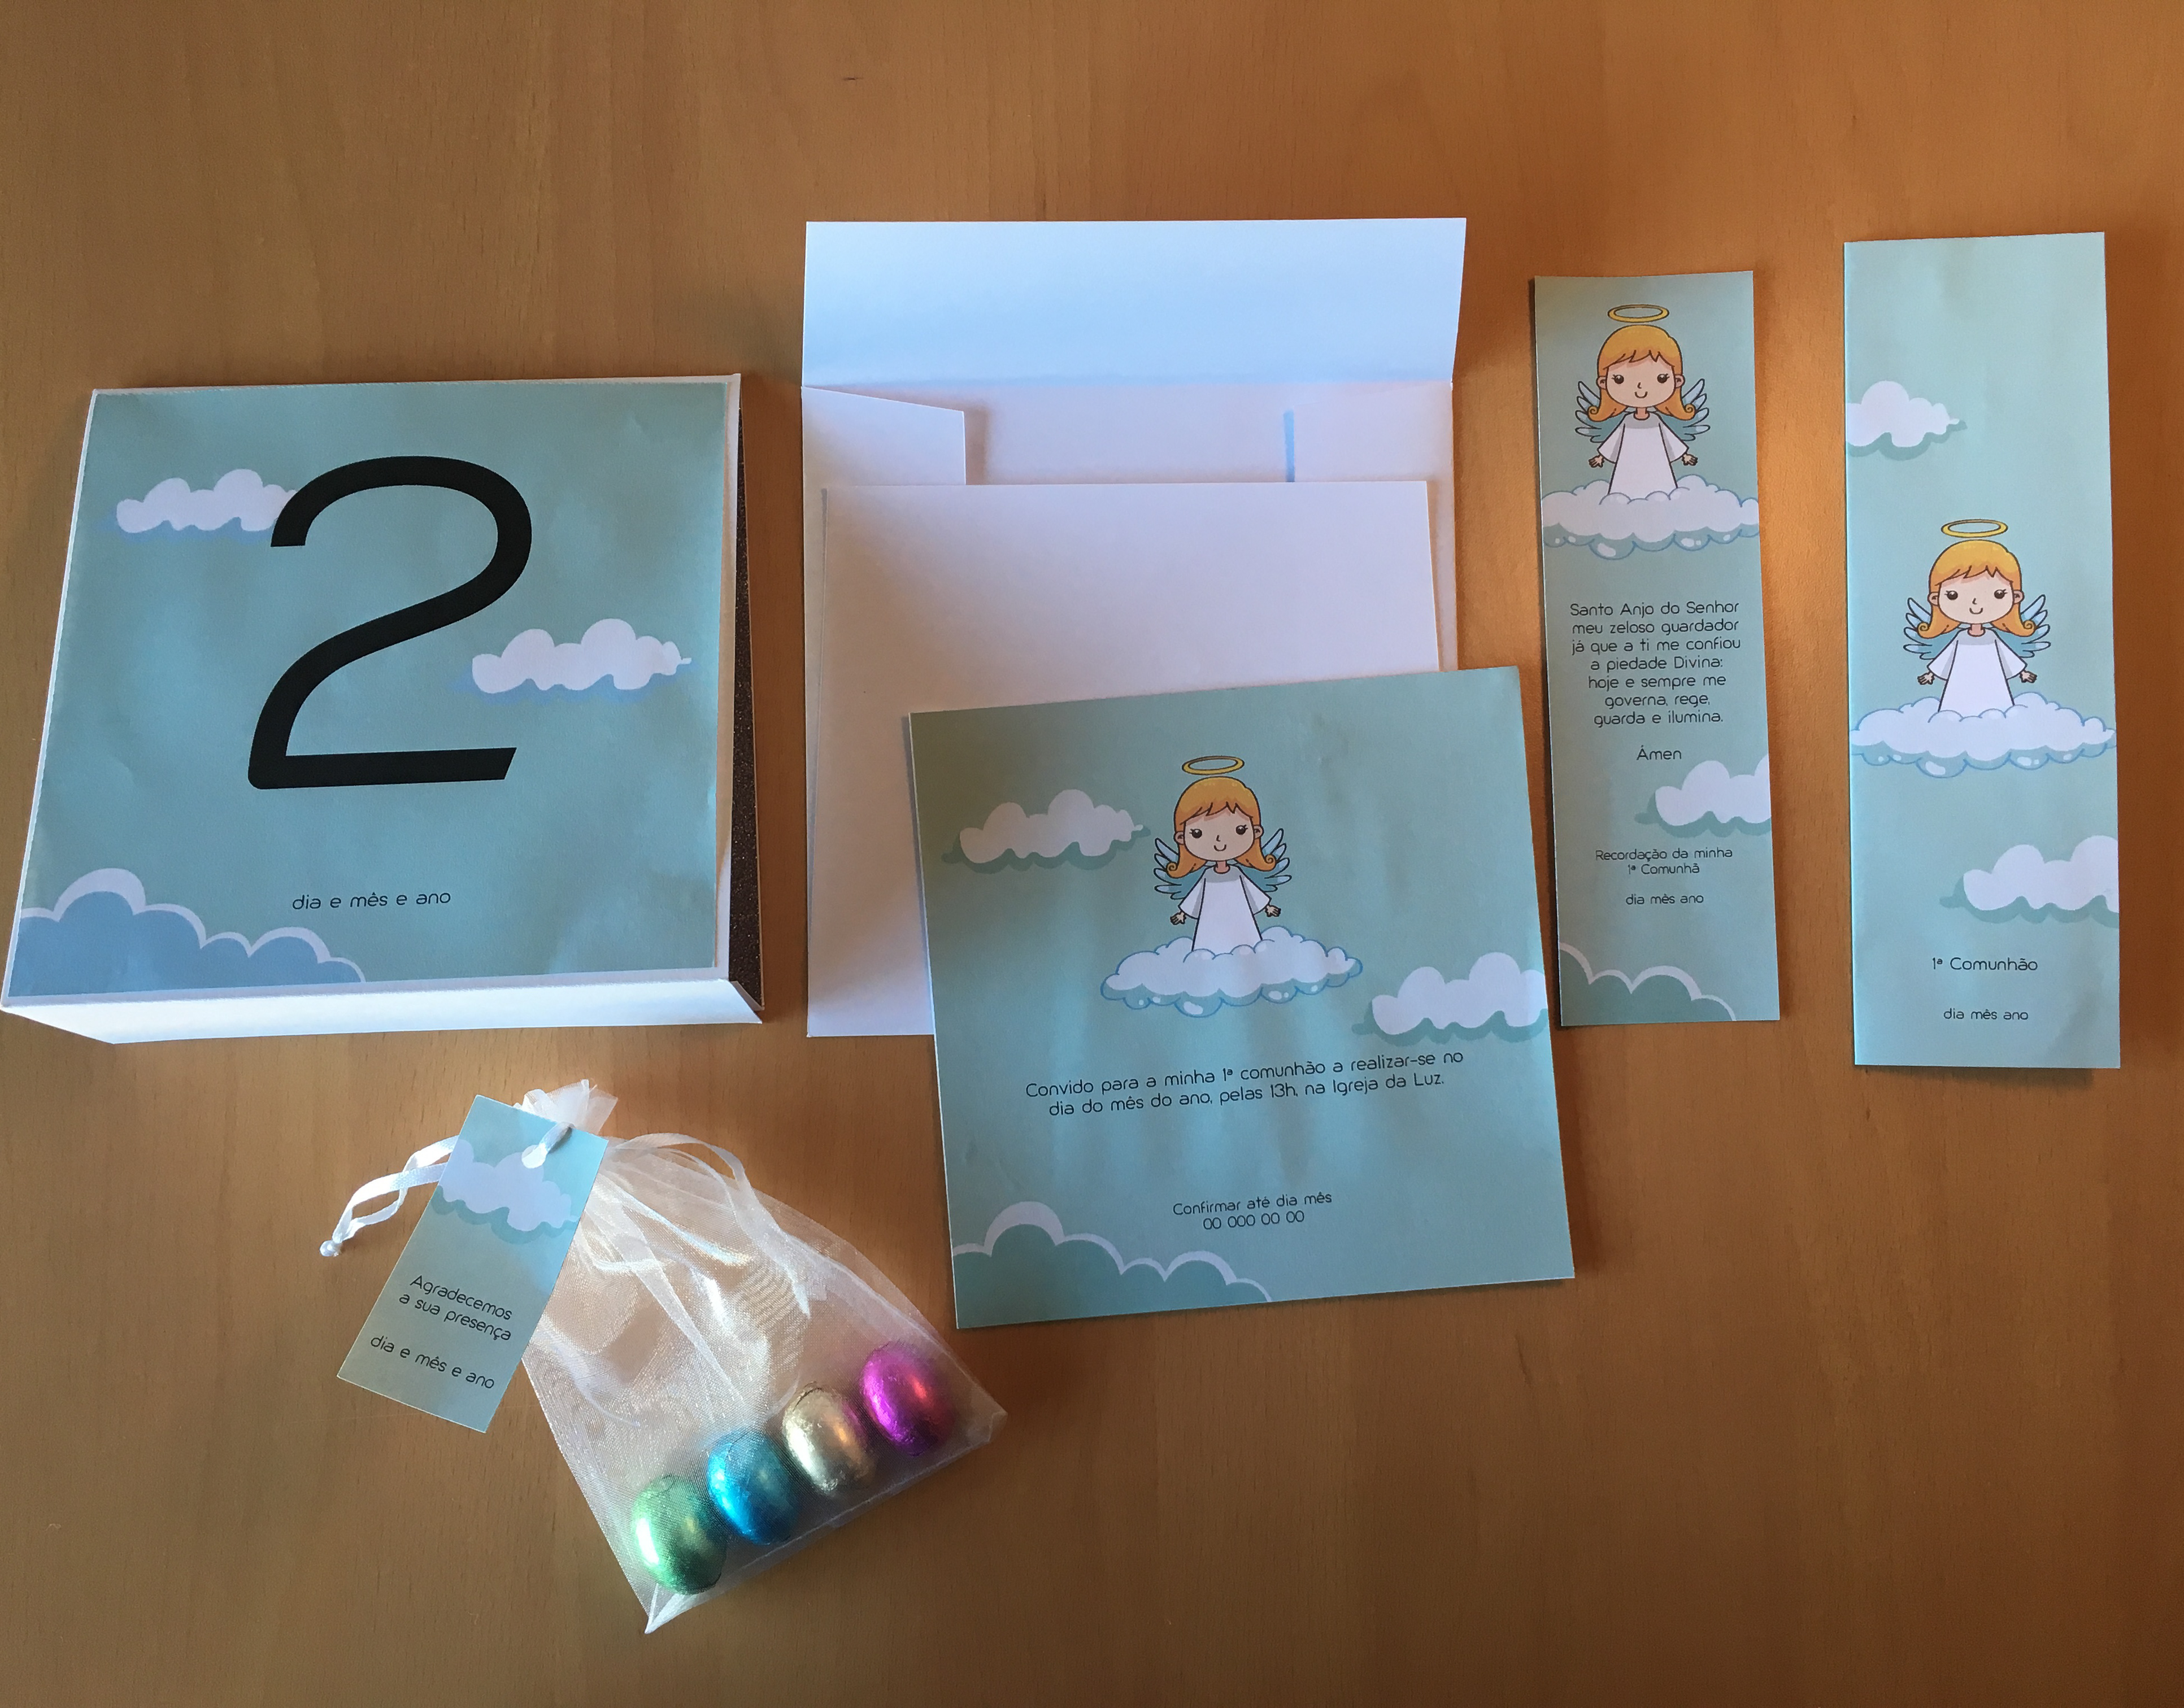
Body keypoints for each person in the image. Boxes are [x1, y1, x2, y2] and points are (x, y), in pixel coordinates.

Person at [1904, 522, 2048, 716]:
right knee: (1956, 713)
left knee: (1997, 712)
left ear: (2016, 597)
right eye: (1953, 595)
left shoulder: (1992, 637)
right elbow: (1947, 658)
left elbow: (2007, 657)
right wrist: (1931, 674)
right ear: (1936, 599)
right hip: (1960, 683)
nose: (1975, 604)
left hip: (1993, 682)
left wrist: (2023, 672)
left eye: (1998, 594)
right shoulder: (1961, 638)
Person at [1152, 761, 1289, 956]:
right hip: (1211, 920)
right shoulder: (1208, 876)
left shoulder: (1237, 873)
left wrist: (1267, 907)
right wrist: (1183, 913)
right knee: (1208, 951)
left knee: (1248, 949)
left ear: (1256, 832)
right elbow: (1196, 896)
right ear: (1181, 838)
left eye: (1240, 830)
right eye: (1198, 833)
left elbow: (1251, 892)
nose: (1219, 842)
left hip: (1240, 918)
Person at [1575, 306, 1708, 500]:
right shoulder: (1627, 422)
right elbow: (1615, 441)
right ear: (1603, 383)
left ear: (1677, 381)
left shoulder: (1656, 421)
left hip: (1658, 466)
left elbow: (1670, 441)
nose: (1640, 388)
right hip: (1628, 467)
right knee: (1623, 497)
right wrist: (1601, 457)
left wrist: (1684, 455)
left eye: (1661, 378)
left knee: (1662, 495)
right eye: (1619, 379)